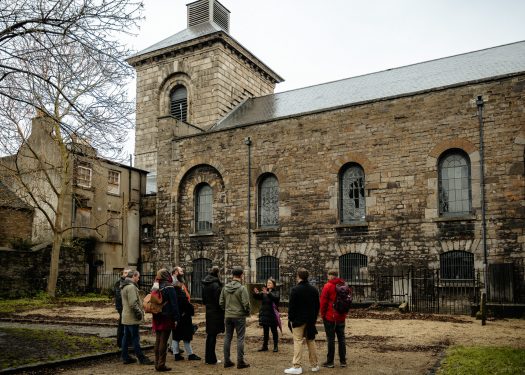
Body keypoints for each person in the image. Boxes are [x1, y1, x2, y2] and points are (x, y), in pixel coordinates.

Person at [284, 268, 320, 374]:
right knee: (311, 341)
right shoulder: (314, 290)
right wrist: (314, 318)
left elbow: (292, 307)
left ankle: (297, 366)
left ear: (298, 276)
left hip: (298, 320)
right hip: (310, 320)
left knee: (298, 341)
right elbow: (317, 306)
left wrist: (290, 319)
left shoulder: (295, 290)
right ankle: (314, 365)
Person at [219, 266, 251, 369]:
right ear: (241, 275)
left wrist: (227, 310)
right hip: (239, 316)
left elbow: (221, 302)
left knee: (227, 337)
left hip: (228, 316)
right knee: (240, 338)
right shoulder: (242, 288)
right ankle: (240, 362)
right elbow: (246, 304)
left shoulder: (225, 288)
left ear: (232, 275)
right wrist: (247, 312)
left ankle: (227, 361)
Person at [120, 270, 154, 365]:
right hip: (132, 317)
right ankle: (141, 358)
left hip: (126, 316)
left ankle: (125, 357)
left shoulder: (124, 286)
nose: (138, 279)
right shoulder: (131, 287)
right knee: (135, 338)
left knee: (126, 337)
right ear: (134, 276)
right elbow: (133, 303)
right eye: (138, 277)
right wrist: (139, 313)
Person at [152, 268, 180, 372]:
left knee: (158, 340)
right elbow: (174, 304)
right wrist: (177, 318)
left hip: (157, 315)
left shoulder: (155, 286)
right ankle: (161, 364)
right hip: (167, 316)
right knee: (164, 340)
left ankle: (156, 362)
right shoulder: (169, 287)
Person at [320, 269, 348, 368]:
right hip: (341, 316)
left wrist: (323, 315)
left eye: (328, 275)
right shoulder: (344, 285)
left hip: (330, 316)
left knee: (330, 339)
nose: (327, 277)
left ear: (330, 276)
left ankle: (330, 362)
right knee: (341, 339)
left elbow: (323, 303)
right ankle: (343, 361)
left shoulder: (328, 286)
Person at [172, 277, 201, 361]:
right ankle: (190, 354)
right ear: (180, 284)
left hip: (176, 317)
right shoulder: (181, 294)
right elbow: (188, 306)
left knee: (176, 337)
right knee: (186, 336)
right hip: (184, 318)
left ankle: (176, 354)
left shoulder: (172, 293)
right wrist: (191, 309)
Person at [202, 266, 225, 365]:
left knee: (210, 335)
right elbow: (219, 301)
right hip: (215, 312)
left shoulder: (205, 284)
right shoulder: (216, 285)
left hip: (209, 311)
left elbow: (203, 300)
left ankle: (209, 358)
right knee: (212, 336)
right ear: (217, 273)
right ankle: (211, 359)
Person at [253, 278, 280, 352]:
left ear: (273, 285)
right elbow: (257, 297)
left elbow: (276, 298)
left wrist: (268, 293)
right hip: (265, 314)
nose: (268, 284)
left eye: (270, 283)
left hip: (273, 315)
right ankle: (265, 346)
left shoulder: (276, 292)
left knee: (274, 331)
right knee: (265, 331)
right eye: (267, 283)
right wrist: (255, 293)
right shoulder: (264, 292)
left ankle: (275, 346)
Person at [170, 266, 189, 354]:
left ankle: (175, 349)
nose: (183, 273)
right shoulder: (174, 282)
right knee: (176, 332)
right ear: (176, 272)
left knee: (176, 332)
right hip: (179, 310)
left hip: (181, 309)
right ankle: (173, 349)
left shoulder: (179, 281)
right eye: (181, 271)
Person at [114, 268, 131, 348]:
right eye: (125, 273)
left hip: (126, 306)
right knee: (122, 323)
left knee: (127, 324)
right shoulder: (119, 283)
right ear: (122, 274)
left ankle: (127, 342)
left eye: (129, 273)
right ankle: (120, 342)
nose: (127, 274)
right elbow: (119, 296)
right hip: (121, 306)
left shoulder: (129, 282)